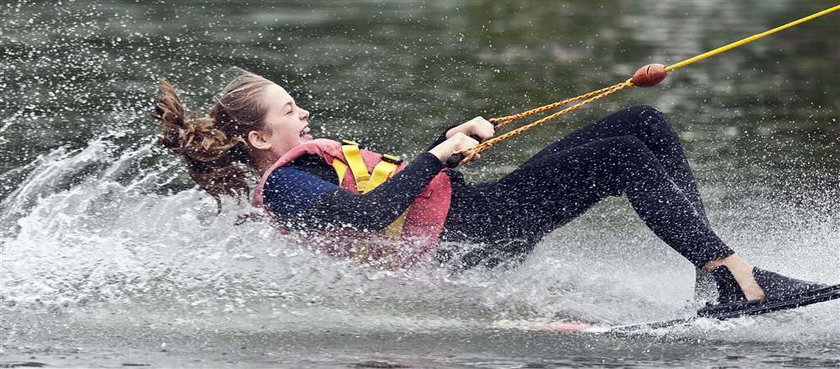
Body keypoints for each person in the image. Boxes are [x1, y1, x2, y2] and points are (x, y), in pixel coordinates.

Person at [153, 69, 825, 310]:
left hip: (480, 213)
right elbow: (370, 217)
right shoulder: (288, 190)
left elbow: (409, 191)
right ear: (264, 140)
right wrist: (439, 150)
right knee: (621, 152)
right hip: (477, 241)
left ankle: (717, 278)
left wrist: (447, 147)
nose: (303, 115)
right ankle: (737, 277)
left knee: (641, 122)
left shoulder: (307, 163)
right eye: (290, 111)